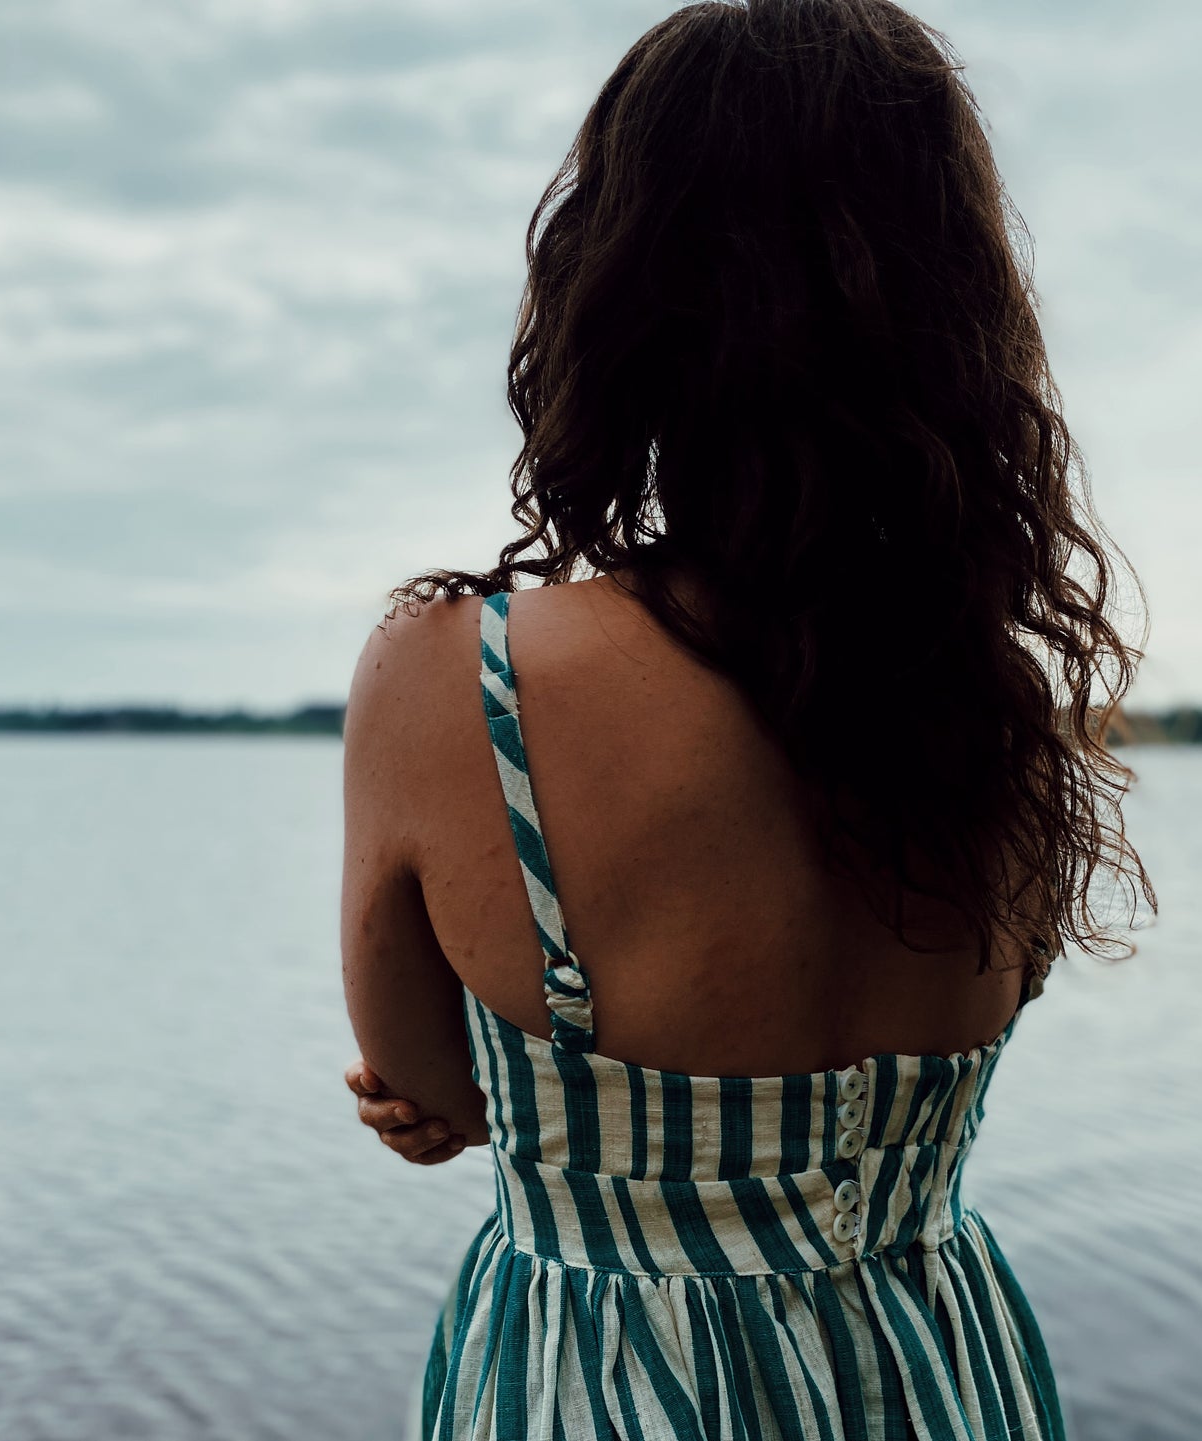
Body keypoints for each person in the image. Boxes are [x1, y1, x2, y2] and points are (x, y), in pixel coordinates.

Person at [339, 2, 1154, 1437]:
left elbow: (425, 1083)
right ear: (954, 317)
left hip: (592, 1386)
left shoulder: (460, 675)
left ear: (617, 290)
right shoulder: (999, 710)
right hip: (935, 1371)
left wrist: (451, 1102)